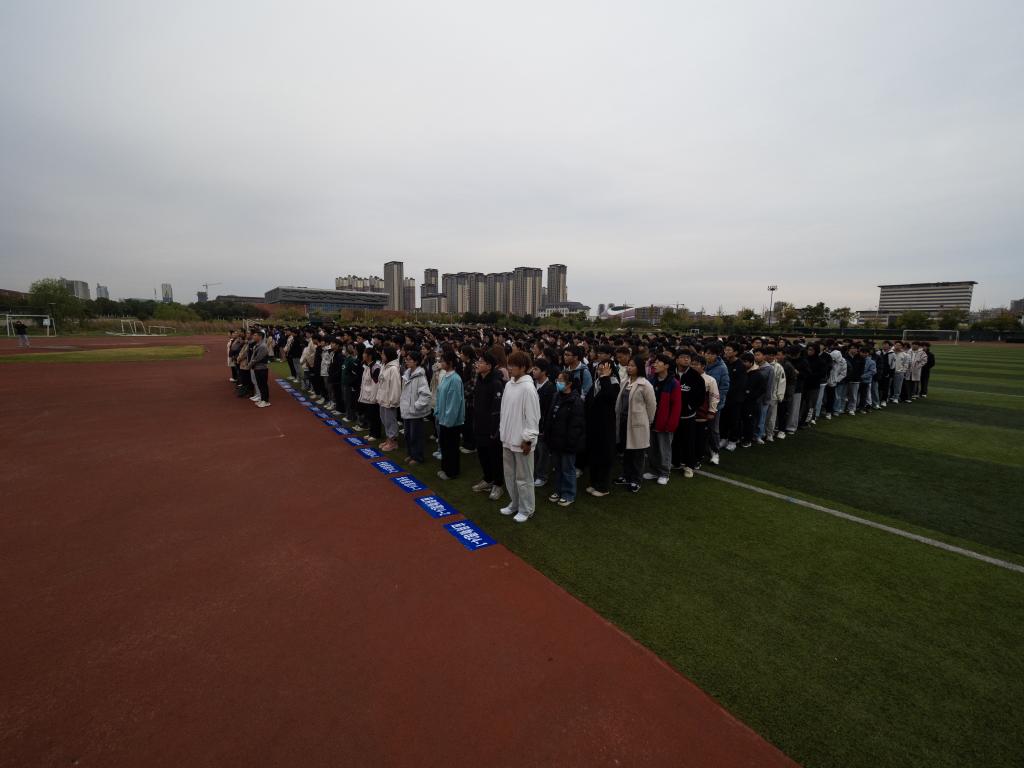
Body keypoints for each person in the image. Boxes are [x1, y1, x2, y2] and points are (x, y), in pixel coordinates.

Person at [498, 351, 541, 523]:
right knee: (510, 475)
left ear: (523, 367)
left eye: (513, 365)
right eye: (508, 364)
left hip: (522, 442)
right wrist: (503, 431)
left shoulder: (528, 389)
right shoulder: (509, 385)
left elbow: (533, 417)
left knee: (524, 478)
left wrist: (528, 440)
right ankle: (515, 503)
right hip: (507, 438)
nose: (509, 368)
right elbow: (504, 411)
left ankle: (526, 509)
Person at [614, 355, 657, 493]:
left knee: (638, 453)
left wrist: (648, 421)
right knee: (626, 451)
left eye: (633, 366)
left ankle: (636, 479)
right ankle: (626, 475)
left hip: (638, 423)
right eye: (629, 365)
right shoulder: (625, 382)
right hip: (624, 421)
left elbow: (652, 406)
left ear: (639, 368)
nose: (629, 368)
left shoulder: (645, 385)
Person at [544, 370, 586, 506]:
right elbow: (550, 418)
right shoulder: (556, 396)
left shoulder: (575, 401)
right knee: (558, 468)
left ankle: (568, 494)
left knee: (568, 469)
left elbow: (576, 426)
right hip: (556, 441)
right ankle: (558, 490)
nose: (558, 383)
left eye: (561, 381)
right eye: (557, 380)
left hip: (568, 443)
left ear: (569, 384)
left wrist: (570, 443)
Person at [471, 351, 505, 502]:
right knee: (482, 455)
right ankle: (488, 479)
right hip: (479, 425)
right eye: (478, 361)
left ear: (489, 366)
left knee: (495, 457)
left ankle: (498, 484)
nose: (478, 364)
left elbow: (497, 409)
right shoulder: (479, 380)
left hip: (491, 429)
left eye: (481, 362)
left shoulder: (496, 383)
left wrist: (494, 430)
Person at [586, 358, 619, 496]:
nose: (600, 372)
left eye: (603, 369)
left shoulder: (614, 383)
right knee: (594, 454)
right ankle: (594, 482)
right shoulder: (597, 382)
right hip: (594, 424)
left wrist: (605, 377)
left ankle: (603, 487)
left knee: (605, 455)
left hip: (606, 425)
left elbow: (609, 396)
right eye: (599, 369)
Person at [645, 353, 680, 485]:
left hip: (664, 422)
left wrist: (671, 424)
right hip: (651, 420)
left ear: (666, 366)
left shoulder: (673, 383)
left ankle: (665, 473)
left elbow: (676, 406)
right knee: (652, 448)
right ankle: (654, 470)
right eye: (654, 362)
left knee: (664, 449)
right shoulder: (651, 380)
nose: (655, 364)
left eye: (658, 362)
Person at [672, 349, 706, 476]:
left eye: (688, 357)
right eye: (683, 357)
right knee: (674, 440)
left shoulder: (696, 376)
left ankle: (689, 466)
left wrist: (690, 407)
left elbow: (700, 397)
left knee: (689, 441)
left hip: (687, 416)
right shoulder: (671, 373)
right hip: (673, 415)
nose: (686, 359)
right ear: (676, 360)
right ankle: (675, 462)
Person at [434, 350, 465, 480]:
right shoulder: (446, 376)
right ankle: (445, 469)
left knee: (451, 446)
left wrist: (448, 421)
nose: (440, 363)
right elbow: (440, 395)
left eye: (443, 361)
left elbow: (454, 403)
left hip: (451, 422)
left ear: (450, 362)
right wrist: (437, 411)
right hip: (443, 418)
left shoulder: (455, 379)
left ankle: (451, 472)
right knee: (445, 445)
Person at [400, 349, 432, 465]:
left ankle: (418, 457)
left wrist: (415, 406)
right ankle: (411, 454)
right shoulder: (407, 374)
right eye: (406, 359)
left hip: (415, 412)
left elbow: (426, 395)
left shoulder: (420, 377)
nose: (406, 361)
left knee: (416, 436)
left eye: (409, 360)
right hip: (407, 410)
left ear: (416, 362)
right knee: (408, 435)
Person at [691, 354, 719, 468]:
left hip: (702, 414)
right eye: (692, 364)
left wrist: (711, 411)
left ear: (703, 366)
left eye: (696, 364)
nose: (693, 366)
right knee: (690, 438)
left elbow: (714, 397)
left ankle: (698, 459)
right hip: (688, 414)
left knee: (700, 438)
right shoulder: (687, 377)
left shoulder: (710, 380)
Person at [531, 359, 555, 487]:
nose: (533, 371)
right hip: (531, 424)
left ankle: (542, 476)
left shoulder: (550, 388)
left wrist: (545, 427)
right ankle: (533, 473)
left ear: (544, 371)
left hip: (542, 425)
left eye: (536, 369)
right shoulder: (531, 384)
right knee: (532, 451)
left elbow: (549, 410)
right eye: (533, 368)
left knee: (542, 452)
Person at [704, 343, 729, 465]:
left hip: (714, 404)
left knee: (713, 429)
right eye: (707, 353)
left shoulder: (722, 368)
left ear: (717, 355)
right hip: (701, 403)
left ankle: (715, 452)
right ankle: (703, 450)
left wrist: (716, 405)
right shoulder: (702, 364)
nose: (709, 356)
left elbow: (724, 388)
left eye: (712, 354)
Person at [376, 345, 403, 452]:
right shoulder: (384, 366)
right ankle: (388, 439)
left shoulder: (393, 369)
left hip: (389, 400)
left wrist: (393, 401)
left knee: (391, 421)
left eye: (383, 354)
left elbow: (395, 386)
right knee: (384, 420)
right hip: (383, 398)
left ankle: (393, 442)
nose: (381, 356)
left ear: (388, 355)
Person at [740, 352, 768, 447]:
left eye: (745, 362)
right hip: (741, 400)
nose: (743, 364)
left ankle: (748, 440)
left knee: (749, 421)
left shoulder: (757, 374)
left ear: (751, 363)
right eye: (742, 361)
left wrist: (751, 395)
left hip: (751, 402)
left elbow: (762, 389)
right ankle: (742, 437)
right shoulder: (743, 372)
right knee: (742, 420)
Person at [356, 347, 382, 440]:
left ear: (369, 356)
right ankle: (371, 433)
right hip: (367, 396)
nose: (363, 355)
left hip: (372, 397)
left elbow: (376, 385)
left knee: (374, 416)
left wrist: (373, 398)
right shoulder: (367, 366)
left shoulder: (375, 367)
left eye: (364, 353)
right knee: (370, 416)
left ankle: (375, 434)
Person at [249, 329, 271, 408]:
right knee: (260, 384)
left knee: (263, 384)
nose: (253, 336)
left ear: (260, 337)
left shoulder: (262, 346)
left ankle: (266, 401)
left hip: (262, 368)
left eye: (255, 335)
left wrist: (250, 364)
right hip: (257, 368)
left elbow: (258, 358)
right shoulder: (257, 345)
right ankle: (262, 399)